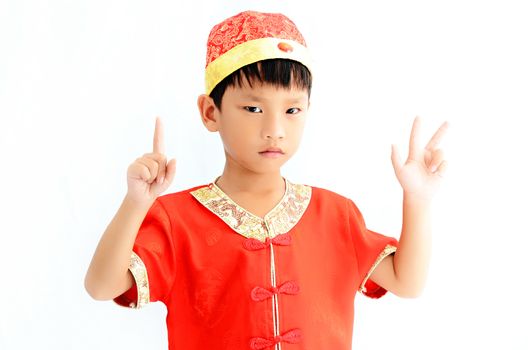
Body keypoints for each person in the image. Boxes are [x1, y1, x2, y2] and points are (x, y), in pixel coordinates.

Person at [84, 10, 448, 350]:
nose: (274, 130)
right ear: (211, 112)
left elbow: (408, 281)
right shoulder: (176, 219)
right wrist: (136, 203)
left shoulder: (335, 215)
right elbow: (101, 286)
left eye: (292, 110)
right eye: (253, 109)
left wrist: (418, 199)